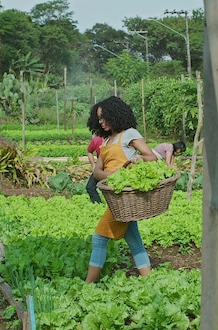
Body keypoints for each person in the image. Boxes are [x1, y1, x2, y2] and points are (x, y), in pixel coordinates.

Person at [84, 96, 157, 283]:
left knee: (99, 238)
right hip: (115, 197)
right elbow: (97, 172)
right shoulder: (106, 140)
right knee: (134, 241)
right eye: (98, 118)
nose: (101, 121)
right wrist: (115, 175)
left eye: (104, 117)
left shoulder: (129, 134)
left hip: (125, 196)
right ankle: (149, 282)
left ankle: (88, 285)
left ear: (114, 114)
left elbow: (151, 156)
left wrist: (137, 160)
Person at [85, 133, 104, 203]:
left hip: (113, 168)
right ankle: (98, 204)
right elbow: (89, 151)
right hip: (100, 168)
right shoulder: (97, 140)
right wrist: (93, 165)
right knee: (90, 187)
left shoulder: (116, 139)